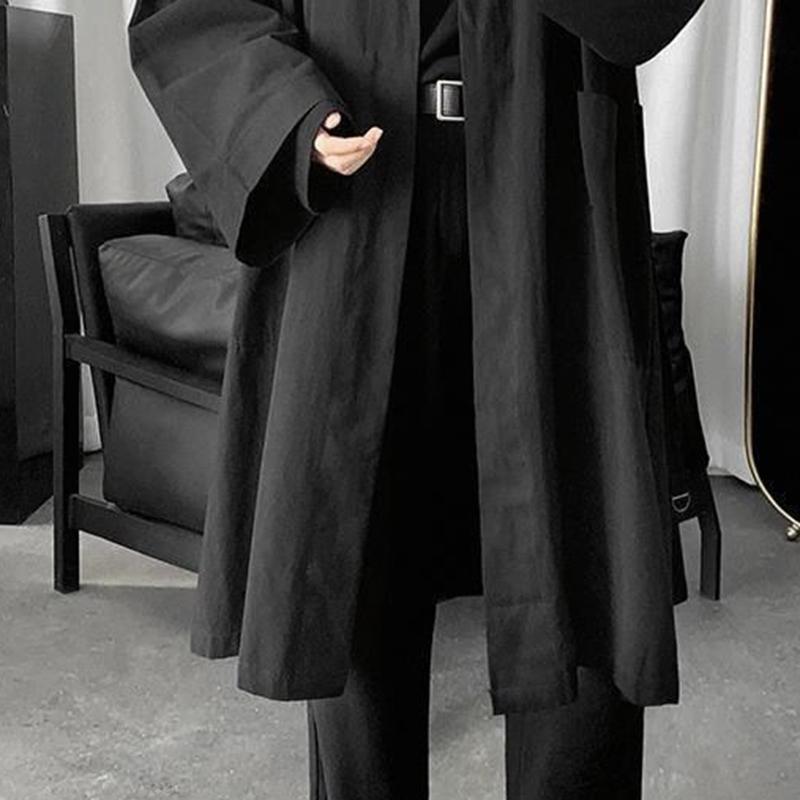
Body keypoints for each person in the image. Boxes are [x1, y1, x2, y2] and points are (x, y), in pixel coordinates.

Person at [128, 1, 707, 797]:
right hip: (358, 197)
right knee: (352, 556)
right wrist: (285, 114)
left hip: (552, 187)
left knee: (582, 551)